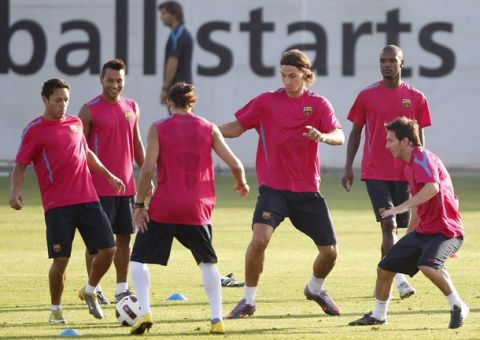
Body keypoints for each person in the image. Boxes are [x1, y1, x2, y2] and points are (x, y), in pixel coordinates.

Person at [220, 49, 345, 319]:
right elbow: (236, 127)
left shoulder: (320, 104)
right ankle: (248, 300)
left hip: (307, 189)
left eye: (293, 76)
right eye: (283, 75)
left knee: (330, 253)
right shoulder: (266, 102)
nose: (287, 81)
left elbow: (339, 135)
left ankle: (315, 288)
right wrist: (204, 130)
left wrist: (322, 136)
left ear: (306, 76)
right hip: (273, 188)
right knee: (259, 240)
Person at [128, 82, 249, 335]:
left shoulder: (158, 128)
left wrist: (139, 205)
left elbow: (147, 169)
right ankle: (216, 319)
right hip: (197, 209)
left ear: (169, 103)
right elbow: (236, 164)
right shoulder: (209, 128)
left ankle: (145, 312)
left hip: (165, 207)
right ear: (193, 103)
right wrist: (242, 183)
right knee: (208, 263)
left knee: (138, 260)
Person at [9, 79, 125, 324]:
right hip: (58, 206)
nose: (62, 105)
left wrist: (109, 175)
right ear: (45, 100)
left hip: (88, 198)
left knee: (109, 248)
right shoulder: (34, 130)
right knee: (61, 261)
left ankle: (90, 289)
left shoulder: (76, 123)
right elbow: (21, 165)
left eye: (65, 100)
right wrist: (14, 191)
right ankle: (55, 310)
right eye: (57, 100)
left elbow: (87, 153)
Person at [349, 116, 468, 329]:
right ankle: (378, 315)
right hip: (424, 231)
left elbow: (432, 188)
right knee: (385, 268)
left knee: (427, 264)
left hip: (446, 231)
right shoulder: (409, 166)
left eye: (391, 140)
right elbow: (418, 210)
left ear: (405, 141)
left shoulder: (422, 157)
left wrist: (399, 207)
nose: (387, 146)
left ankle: (458, 305)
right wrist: (408, 240)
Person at [342, 45, 432, 299]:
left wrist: (422, 169)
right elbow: (356, 131)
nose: (386, 65)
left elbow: (419, 138)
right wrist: (349, 166)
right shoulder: (367, 96)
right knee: (388, 224)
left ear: (402, 63)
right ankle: (401, 279)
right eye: (383, 60)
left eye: (392, 60)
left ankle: (383, 279)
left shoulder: (416, 97)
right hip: (375, 172)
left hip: (405, 174)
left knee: (400, 229)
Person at [79, 58, 147, 305]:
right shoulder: (88, 110)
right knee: (96, 243)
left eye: (119, 80)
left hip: (127, 187)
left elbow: (137, 143)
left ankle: (121, 288)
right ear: (101, 79)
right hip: (97, 187)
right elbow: (80, 150)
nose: (115, 85)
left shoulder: (132, 106)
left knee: (124, 239)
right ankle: (93, 287)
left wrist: (146, 174)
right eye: (110, 80)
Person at [158, 1, 193, 106]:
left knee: (179, 121)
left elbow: (173, 62)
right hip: (181, 90)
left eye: (164, 13)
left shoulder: (178, 36)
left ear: (174, 15)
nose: (161, 17)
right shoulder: (177, 34)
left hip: (178, 91)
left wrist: (165, 88)